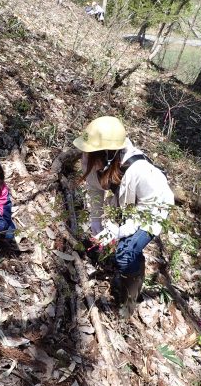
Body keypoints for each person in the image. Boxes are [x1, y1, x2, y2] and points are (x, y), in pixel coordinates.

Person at [73, 116, 174, 316]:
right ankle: (128, 269)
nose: (84, 156)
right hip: (128, 205)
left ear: (108, 154)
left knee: (125, 254)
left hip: (152, 210)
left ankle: (130, 298)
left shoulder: (141, 172)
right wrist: (96, 220)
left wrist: (120, 231)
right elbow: (95, 190)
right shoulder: (93, 160)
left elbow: (149, 208)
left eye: (90, 153)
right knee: (121, 247)